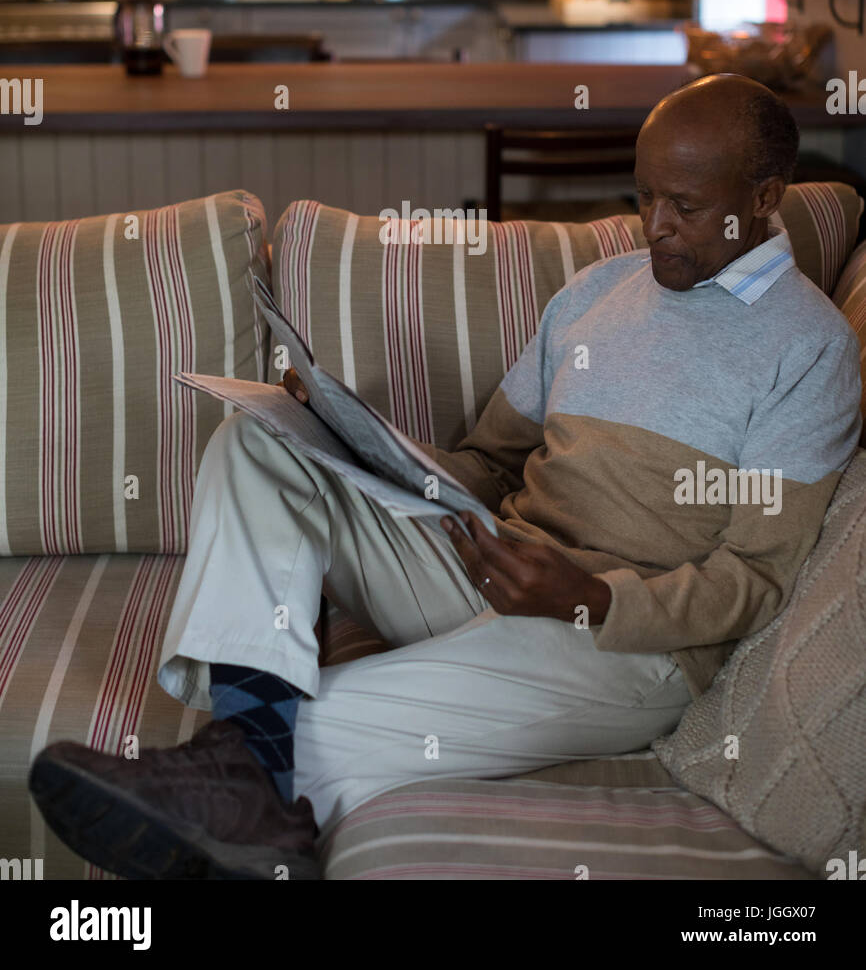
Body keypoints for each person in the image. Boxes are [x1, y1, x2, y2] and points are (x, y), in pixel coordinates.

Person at [29, 75, 862, 880]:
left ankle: (241, 770)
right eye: (644, 197)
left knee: (323, 718)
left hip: (622, 642)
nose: (655, 226)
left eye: (685, 205)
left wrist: (592, 596)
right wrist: (350, 437)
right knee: (256, 444)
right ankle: (246, 782)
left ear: (763, 195)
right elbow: (490, 458)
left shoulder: (811, 349)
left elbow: (755, 579)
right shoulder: (597, 291)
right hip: (488, 562)